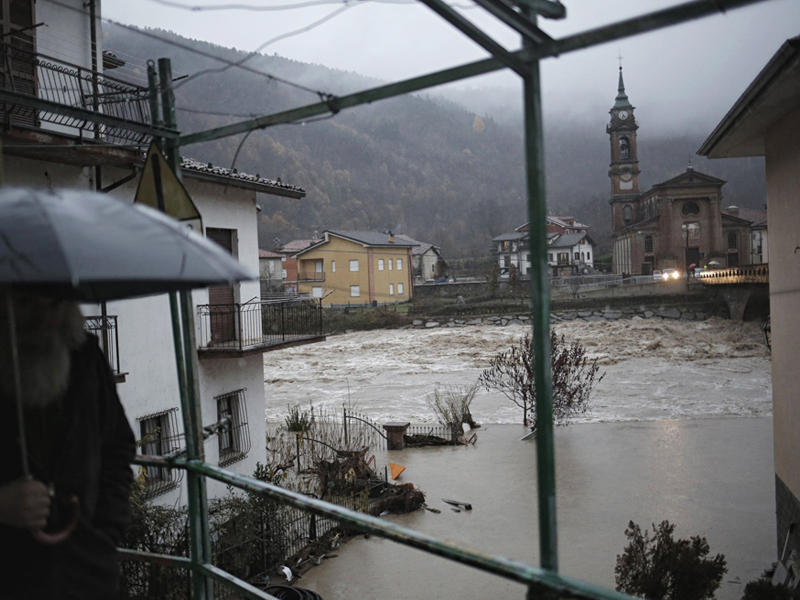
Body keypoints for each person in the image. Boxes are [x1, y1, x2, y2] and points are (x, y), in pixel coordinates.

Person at [0, 291, 136, 599]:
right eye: (26, 302)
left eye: (53, 302)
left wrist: (106, 532)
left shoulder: (86, 358)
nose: (41, 317)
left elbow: (118, 448)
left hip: (86, 572)